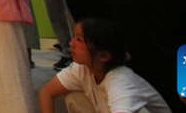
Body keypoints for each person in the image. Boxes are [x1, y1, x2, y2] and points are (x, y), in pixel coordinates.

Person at [38, 18, 171, 113]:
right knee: (74, 97)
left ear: (104, 56)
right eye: (74, 37)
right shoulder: (81, 68)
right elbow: (47, 93)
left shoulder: (121, 81)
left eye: (79, 40)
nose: (71, 44)